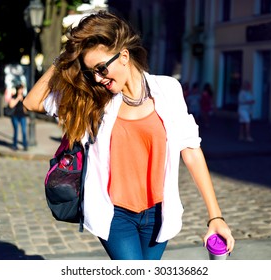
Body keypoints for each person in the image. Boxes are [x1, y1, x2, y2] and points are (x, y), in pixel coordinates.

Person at [23, 11, 234, 260]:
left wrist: (216, 216)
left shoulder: (168, 90)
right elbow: (32, 101)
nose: (98, 78)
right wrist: (64, 58)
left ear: (124, 55)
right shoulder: (93, 101)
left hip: (158, 214)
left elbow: (191, 151)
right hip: (114, 215)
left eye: (101, 68)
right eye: (92, 72)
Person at [7, 84, 28, 151]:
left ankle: (25, 145)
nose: (21, 90)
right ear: (17, 90)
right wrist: (17, 99)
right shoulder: (14, 96)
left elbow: (25, 109)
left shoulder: (24, 97)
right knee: (16, 131)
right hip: (15, 116)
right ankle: (14, 145)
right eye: (20, 89)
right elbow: (11, 105)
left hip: (22, 116)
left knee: (24, 131)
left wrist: (23, 102)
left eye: (22, 89)